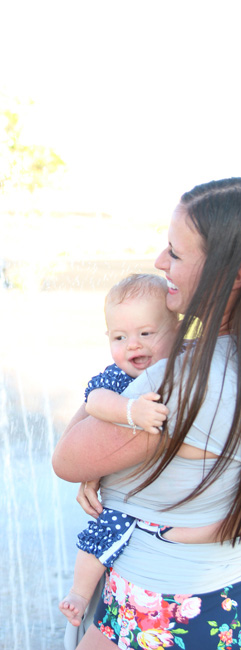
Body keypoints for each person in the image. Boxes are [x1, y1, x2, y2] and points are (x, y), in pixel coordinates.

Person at [53, 177, 241, 650]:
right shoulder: (219, 356)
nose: (160, 262)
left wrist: (108, 398)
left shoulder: (180, 382)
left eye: (176, 253)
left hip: (159, 609)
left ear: (231, 273)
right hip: (220, 595)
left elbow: (68, 459)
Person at [59, 273, 178, 627]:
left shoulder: (191, 363)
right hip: (127, 489)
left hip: (164, 497)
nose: (133, 346)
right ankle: (79, 595)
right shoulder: (118, 379)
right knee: (103, 531)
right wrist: (131, 412)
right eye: (119, 337)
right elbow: (95, 402)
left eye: (146, 333)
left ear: (177, 329)